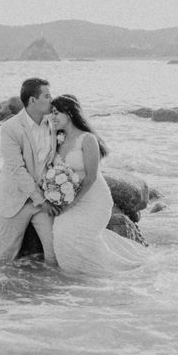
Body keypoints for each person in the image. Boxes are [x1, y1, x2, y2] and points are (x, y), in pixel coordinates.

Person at [49, 94, 147, 275]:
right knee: (61, 231)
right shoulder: (58, 139)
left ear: (69, 113)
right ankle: (74, 277)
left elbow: (91, 177)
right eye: (51, 113)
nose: (52, 117)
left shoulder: (87, 139)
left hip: (93, 199)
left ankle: (105, 274)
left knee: (81, 237)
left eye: (56, 113)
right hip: (71, 197)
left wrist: (71, 202)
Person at [0, 78, 61, 265]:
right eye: (47, 96)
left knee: (55, 254)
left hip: (43, 200)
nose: (51, 100)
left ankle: (53, 293)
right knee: (7, 258)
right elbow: (16, 169)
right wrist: (41, 199)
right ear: (32, 100)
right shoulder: (10, 128)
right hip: (14, 200)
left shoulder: (54, 124)